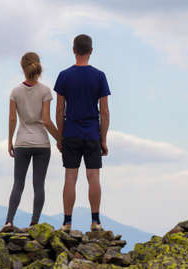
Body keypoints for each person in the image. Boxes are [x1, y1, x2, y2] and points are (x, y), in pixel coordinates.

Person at [54, 34, 111, 232]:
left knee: (70, 176)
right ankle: (95, 221)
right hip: (92, 134)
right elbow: (104, 111)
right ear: (91, 51)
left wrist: (60, 136)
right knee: (93, 176)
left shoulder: (64, 76)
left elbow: (59, 110)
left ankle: (67, 222)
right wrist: (103, 139)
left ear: (73, 50)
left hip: (71, 132)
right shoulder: (99, 76)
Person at [3, 52, 61, 228]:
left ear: (23, 67)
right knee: (38, 185)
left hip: (22, 143)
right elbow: (46, 120)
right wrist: (60, 139)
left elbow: (13, 119)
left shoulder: (15, 92)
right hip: (42, 144)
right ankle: (34, 224)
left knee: (18, 183)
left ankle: (9, 221)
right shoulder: (45, 91)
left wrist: (9, 141)